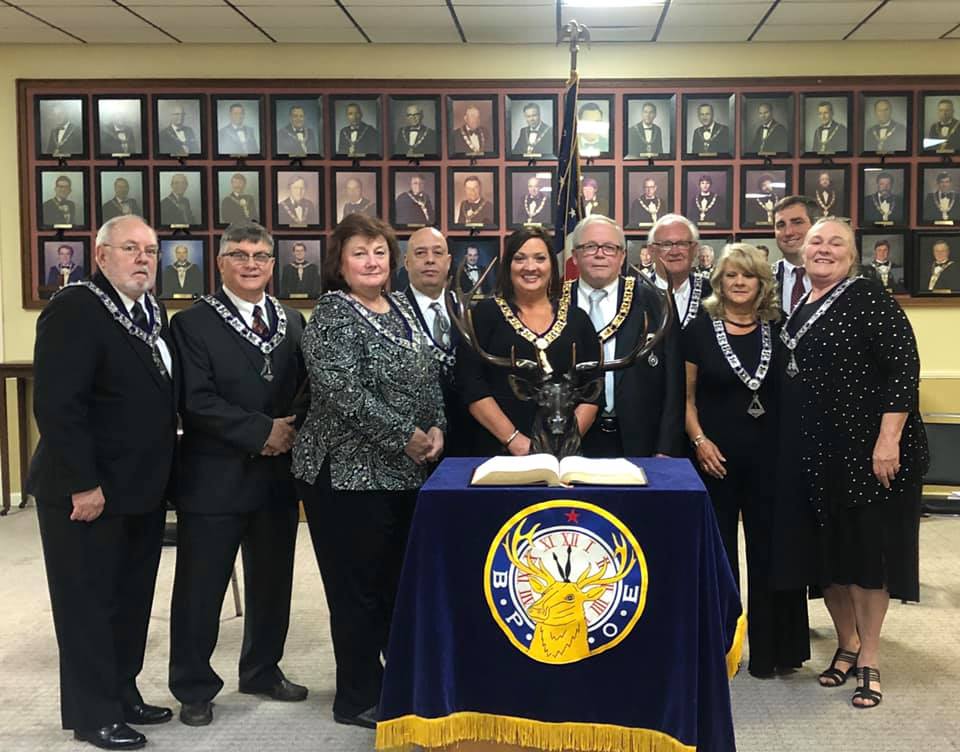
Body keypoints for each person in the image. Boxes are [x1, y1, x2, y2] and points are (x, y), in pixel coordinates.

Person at [292, 213, 445, 728]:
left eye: (379, 251)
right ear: (339, 262)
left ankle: (389, 681)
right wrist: (406, 436)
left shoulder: (399, 306)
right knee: (356, 590)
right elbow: (340, 393)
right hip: (347, 476)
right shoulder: (334, 312)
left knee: (391, 585)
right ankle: (356, 696)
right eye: (360, 252)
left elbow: (428, 376)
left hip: (403, 474)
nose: (372, 261)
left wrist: (436, 427)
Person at [30, 215, 176, 750]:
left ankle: (122, 692)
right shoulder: (77, 308)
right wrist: (83, 483)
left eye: (152, 250)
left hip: (138, 487)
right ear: (101, 256)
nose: (144, 259)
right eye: (131, 249)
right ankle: (93, 714)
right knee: (88, 605)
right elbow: (58, 406)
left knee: (130, 600)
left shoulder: (149, 311)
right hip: (86, 492)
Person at [772, 218, 928, 708]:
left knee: (866, 561)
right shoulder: (799, 305)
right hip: (817, 454)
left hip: (865, 453)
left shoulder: (868, 297)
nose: (823, 249)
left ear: (853, 253)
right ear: (802, 250)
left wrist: (888, 440)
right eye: (815, 241)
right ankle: (846, 643)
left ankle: (870, 659)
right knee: (830, 560)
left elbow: (904, 368)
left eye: (835, 242)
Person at [169, 221, 308, 727]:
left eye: (261, 256)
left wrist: (288, 431)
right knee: (201, 587)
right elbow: (195, 400)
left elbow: (305, 388)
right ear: (221, 262)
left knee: (273, 582)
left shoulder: (292, 320)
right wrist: (260, 431)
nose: (251, 263)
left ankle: (262, 669)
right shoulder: (191, 324)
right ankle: (193, 685)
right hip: (215, 475)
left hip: (277, 476)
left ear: (273, 264)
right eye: (240, 254)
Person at [683, 243, 809, 678]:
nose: (739, 283)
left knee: (770, 553)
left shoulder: (781, 328)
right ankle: (720, 651)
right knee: (718, 555)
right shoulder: (699, 330)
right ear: (720, 280)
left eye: (748, 276)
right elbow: (685, 398)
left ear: (762, 283)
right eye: (732, 275)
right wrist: (699, 441)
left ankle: (775, 652)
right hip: (713, 460)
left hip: (771, 461)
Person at [457, 227, 601, 457]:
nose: (530, 267)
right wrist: (515, 440)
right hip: (499, 452)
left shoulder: (577, 319)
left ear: (552, 266)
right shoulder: (484, 315)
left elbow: (593, 387)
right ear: (508, 266)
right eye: (520, 258)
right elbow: (471, 384)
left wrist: (565, 443)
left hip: (566, 458)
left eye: (540, 258)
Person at [569, 215, 684, 459]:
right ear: (574, 255)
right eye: (590, 247)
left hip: (640, 441)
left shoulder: (656, 301)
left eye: (610, 248)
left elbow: (674, 383)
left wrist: (665, 448)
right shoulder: (554, 302)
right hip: (570, 441)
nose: (600, 254)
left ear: (622, 256)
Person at [402, 227, 471, 455]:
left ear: (449, 261)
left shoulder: (471, 311)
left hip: (468, 439)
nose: (430, 260)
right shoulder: (389, 313)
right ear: (407, 262)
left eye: (437, 253)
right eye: (420, 253)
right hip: (415, 443)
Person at [648, 214, 712, 329]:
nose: (675, 252)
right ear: (652, 251)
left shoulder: (713, 292)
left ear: (694, 250)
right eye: (666, 245)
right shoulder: (636, 295)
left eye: (682, 244)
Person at [772, 195, 816, 314]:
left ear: (815, 226)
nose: (788, 232)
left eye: (797, 222)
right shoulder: (764, 280)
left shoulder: (835, 278)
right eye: (781, 225)